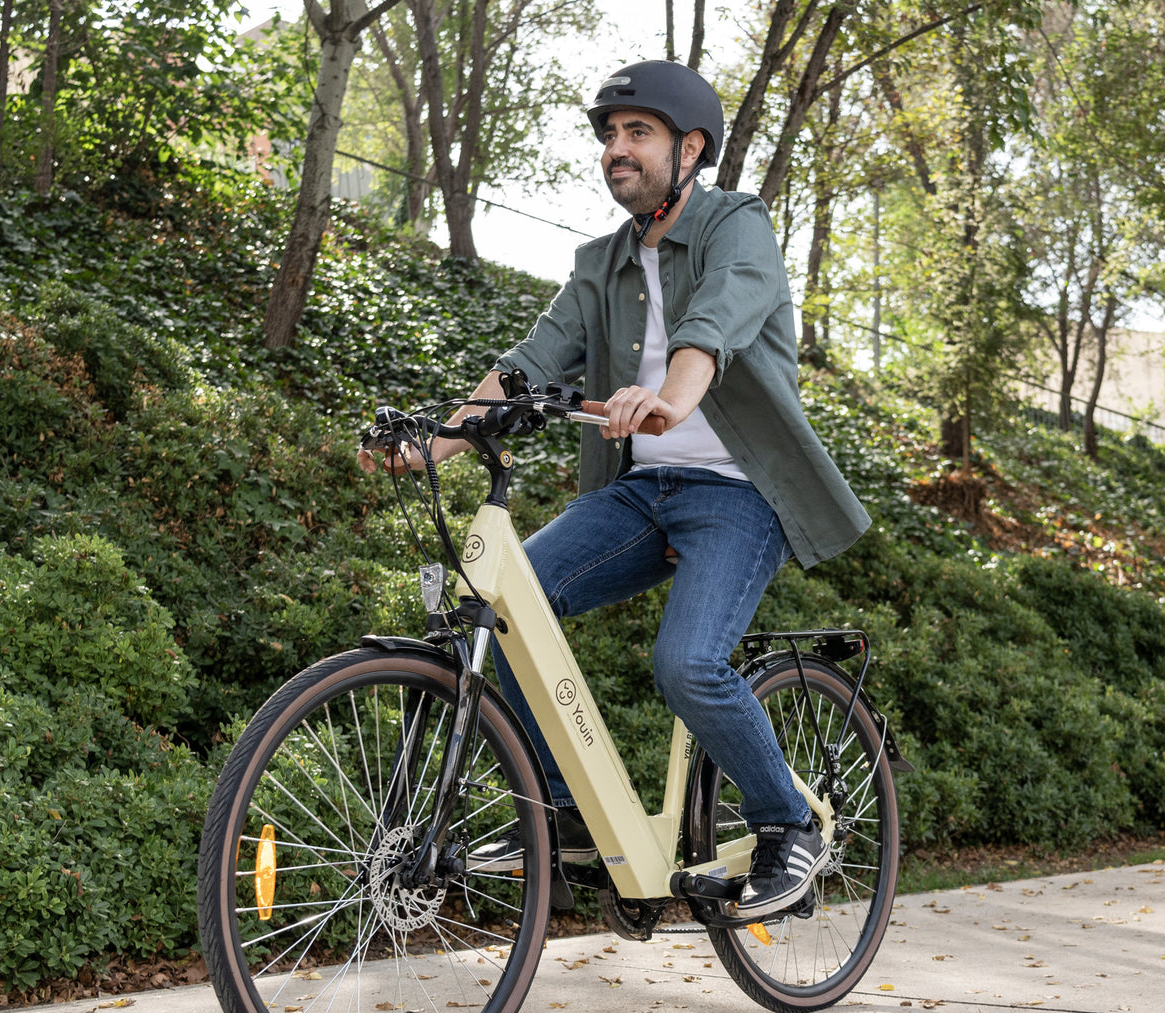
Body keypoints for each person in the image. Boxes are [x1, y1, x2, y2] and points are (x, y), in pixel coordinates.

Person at [360, 60, 870, 916]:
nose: (616, 150)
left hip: (740, 495)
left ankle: (790, 827)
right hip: (642, 494)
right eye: (608, 136)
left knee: (689, 662)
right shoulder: (599, 264)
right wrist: (431, 446)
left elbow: (716, 322)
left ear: (690, 147)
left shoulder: (736, 224)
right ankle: (567, 815)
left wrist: (671, 396)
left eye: (638, 133)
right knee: (506, 611)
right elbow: (529, 362)